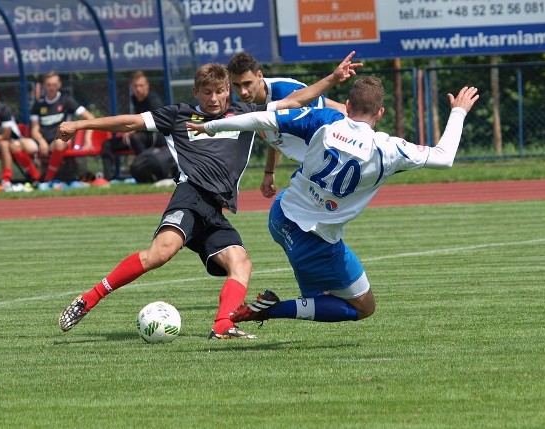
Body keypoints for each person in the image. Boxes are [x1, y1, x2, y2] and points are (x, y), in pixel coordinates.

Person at [56, 52, 361, 339]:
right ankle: (87, 299)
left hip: (215, 210)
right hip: (191, 196)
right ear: (196, 93)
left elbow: (295, 100)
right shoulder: (178, 116)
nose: (214, 99)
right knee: (159, 254)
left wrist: (333, 79)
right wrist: (80, 123)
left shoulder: (246, 114)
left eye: (220, 91)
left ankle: (223, 325)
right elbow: (130, 122)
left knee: (240, 263)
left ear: (227, 90)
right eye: (207, 93)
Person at [187, 77, 479, 326]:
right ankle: (272, 309)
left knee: (322, 297)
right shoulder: (388, 149)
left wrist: (212, 127)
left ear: (348, 106)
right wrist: (458, 112)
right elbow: (444, 157)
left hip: (279, 216)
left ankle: (285, 301)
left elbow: (263, 118)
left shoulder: (325, 121)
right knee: (364, 308)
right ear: (380, 113)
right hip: (315, 241)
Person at [227, 52, 345, 198]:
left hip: (332, 160)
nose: (243, 92)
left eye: (247, 84)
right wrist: (269, 172)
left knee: (286, 208)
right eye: (237, 85)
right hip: (311, 165)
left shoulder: (285, 92)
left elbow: (331, 114)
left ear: (259, 75)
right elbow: (275, 133)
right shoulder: (248, 105)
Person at [29, 71, 95, 183]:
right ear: (44, 86)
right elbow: (34, 130)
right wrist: (41, 141)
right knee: (17, 145)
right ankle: (34, 178)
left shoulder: (66, 100)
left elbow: (90, 118)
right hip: (42, 142)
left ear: (59, 85)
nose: (51, 88)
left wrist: (87, 138)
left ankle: (47, 180)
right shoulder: (38, 104)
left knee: (59, 143)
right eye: (49, 85)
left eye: (54, 85)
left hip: (60, 139)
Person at [101, 70, 165, 180]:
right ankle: (107, 180)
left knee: (136, 138)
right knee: (107, 144)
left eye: (141, 86)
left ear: (147, 86)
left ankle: (146, 173)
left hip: (156, 136)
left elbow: (158, 123)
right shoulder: (134, 99)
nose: (138, 89)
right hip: (138, 135)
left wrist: (134, 129)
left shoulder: (153, 100)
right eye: (135, 86)